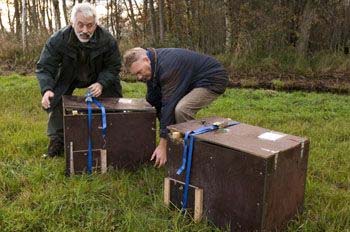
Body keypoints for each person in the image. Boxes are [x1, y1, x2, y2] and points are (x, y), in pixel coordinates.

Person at [36, 3, 122, 157]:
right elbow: (45, 66)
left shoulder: (107, 40)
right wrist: (47, 89)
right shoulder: (58, 39)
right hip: (70, 74)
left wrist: (102, 82)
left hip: (98, 74)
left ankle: (110, 136)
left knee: (113, 96)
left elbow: (114, 66)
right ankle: (58, 141)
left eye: (90, 26)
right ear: (72, 23)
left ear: (96, 25)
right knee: (55, 97)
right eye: (80, 25)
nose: (85, 30)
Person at [123, 47, 228, 167]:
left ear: (146, 60)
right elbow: (154, 99)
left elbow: (169, 105)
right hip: (191, 80)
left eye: (139, 72)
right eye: (136, 74)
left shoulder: (168, 66)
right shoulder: (153, 66)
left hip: (213, 79)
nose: (139, 77)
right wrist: (166, 130)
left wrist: (163, 143)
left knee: (182, 109)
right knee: (153, 101)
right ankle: (179, 138)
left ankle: (194, 151)